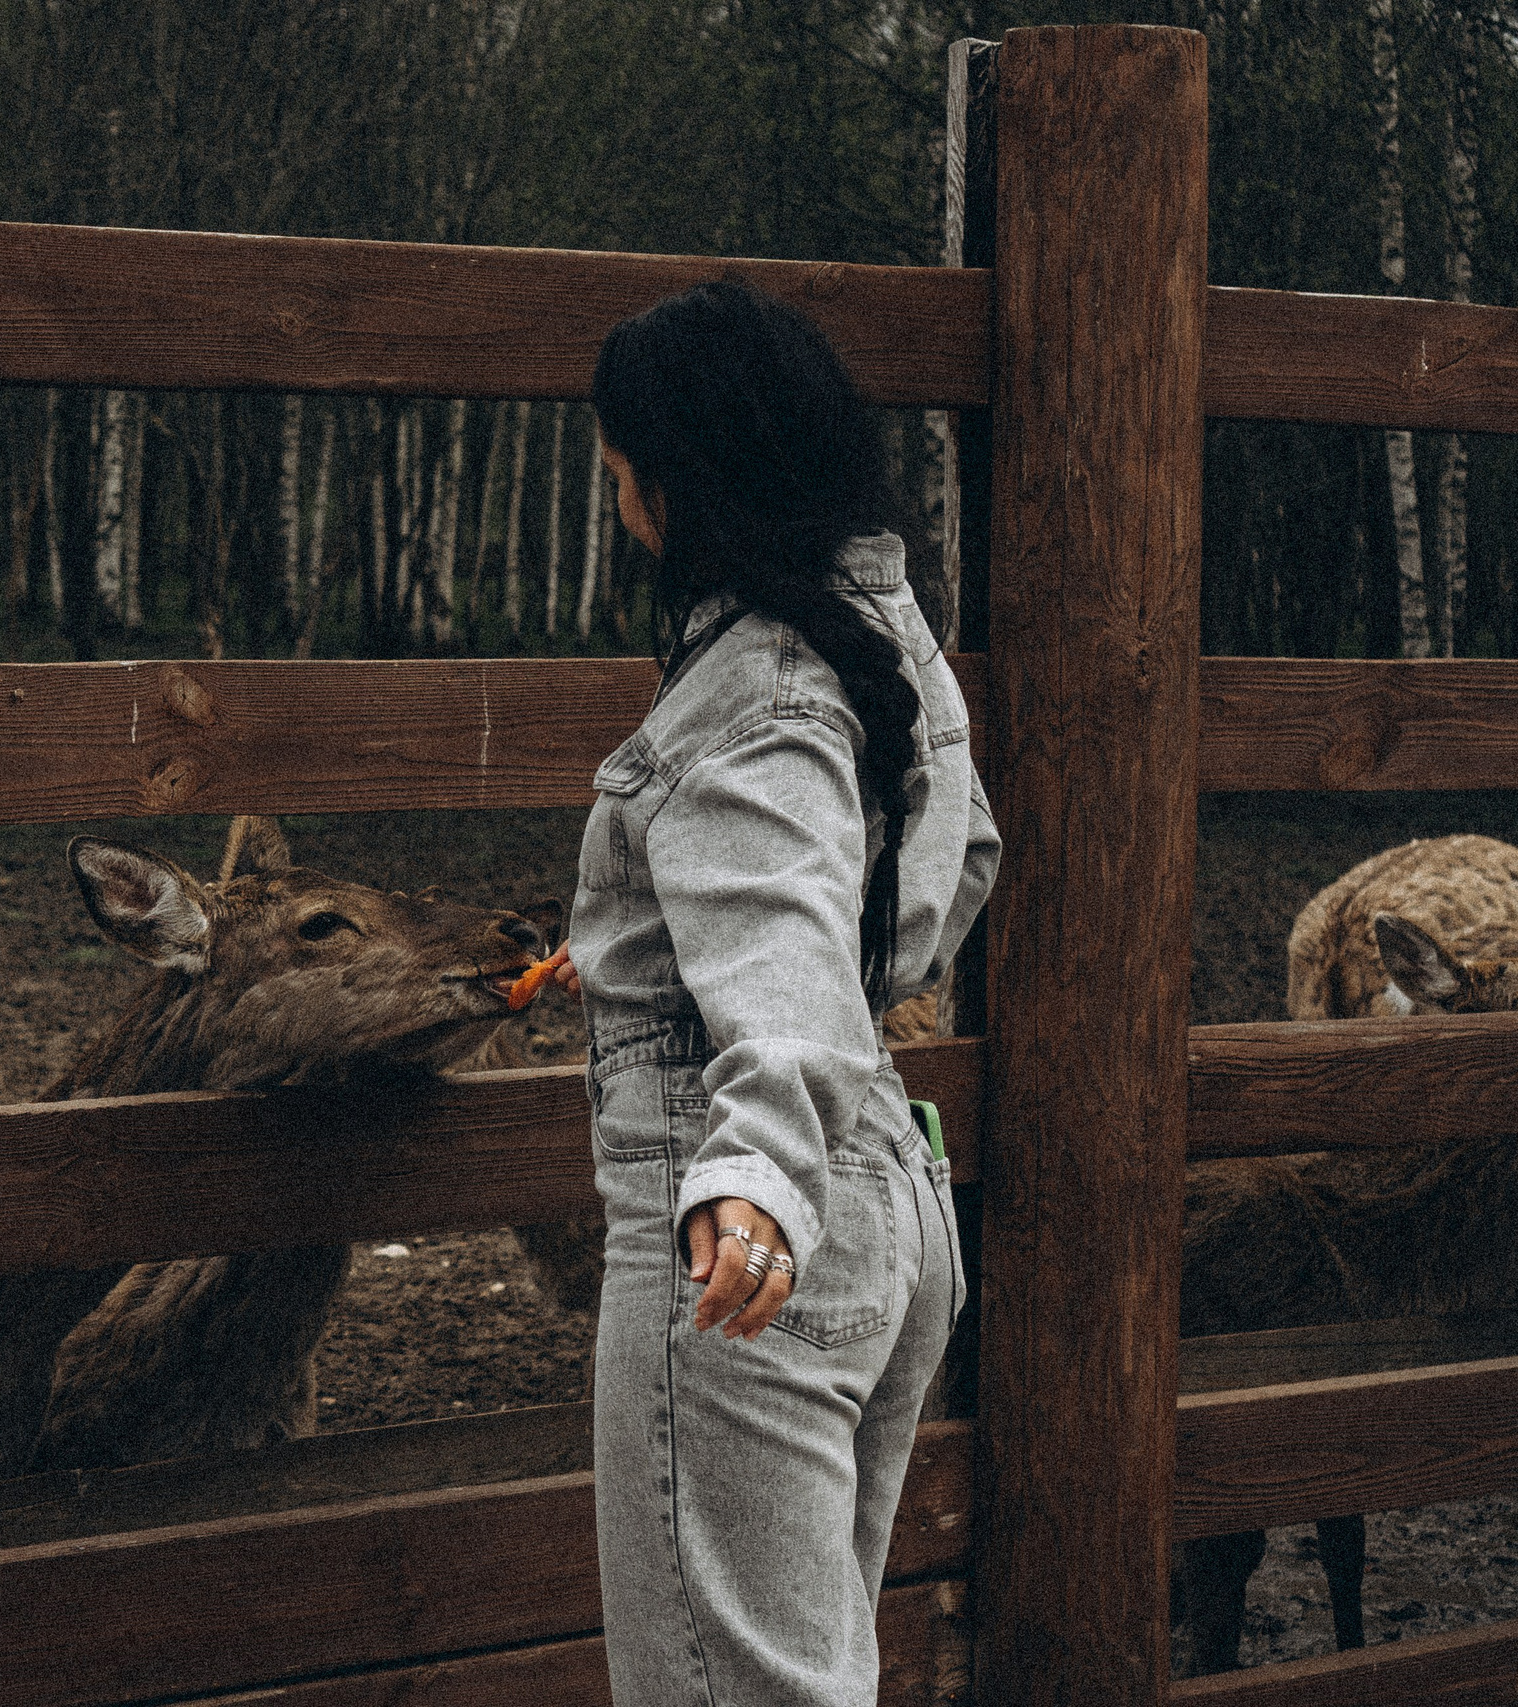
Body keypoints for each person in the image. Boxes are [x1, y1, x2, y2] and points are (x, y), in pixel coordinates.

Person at [545, 279, 1000, 1706]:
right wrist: (648, 953)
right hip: (886, 1212)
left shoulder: (753, 700)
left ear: (670, 481)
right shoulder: (872, 632)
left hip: (748, 1243)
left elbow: (791, 984)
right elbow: (953, 858)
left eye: (620, 467)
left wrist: (751, 1171)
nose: (617, 495)